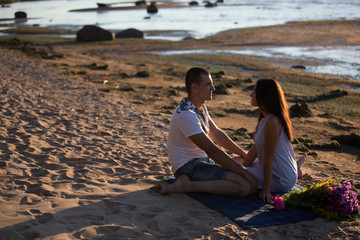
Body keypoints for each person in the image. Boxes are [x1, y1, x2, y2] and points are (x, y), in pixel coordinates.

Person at [160, 67, 258, 196]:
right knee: (244, 185)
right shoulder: (186, 114)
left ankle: (192, 183)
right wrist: (243, 172)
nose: (213, 88)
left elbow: (216, 134)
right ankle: (187, 185)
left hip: (204, 161)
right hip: (188, 168)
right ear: (194, 87)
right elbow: (212, 150)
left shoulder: (199, 107)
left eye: (211, 84)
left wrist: (244, 154)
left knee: (242, 161)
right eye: (208, 84)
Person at [239, 79, 305, 202]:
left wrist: (266, 191)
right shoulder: (265, 118)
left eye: (254, 92)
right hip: (277, 168)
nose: (251, 95)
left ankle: (294, 172)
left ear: (264, 96)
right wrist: (243, 166)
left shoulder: (272, 121)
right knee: (235, 161)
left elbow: (269, 158)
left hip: (280, 179)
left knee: (234, 172)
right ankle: (296, 170)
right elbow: (256, 148)